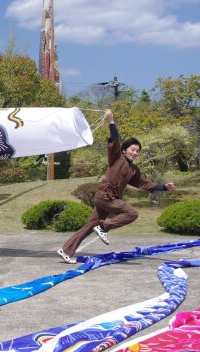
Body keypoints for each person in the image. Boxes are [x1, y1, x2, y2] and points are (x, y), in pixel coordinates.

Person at [57, 109, 176, 264]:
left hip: (108, 200)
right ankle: (104, 227)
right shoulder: (116, 157)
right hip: (106, 196)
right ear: (124, 150)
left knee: (90, 225)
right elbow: (115, 139)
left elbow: (144, 184)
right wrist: (111, 121)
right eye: (132, 149)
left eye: (137, 151)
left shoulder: (133, 170)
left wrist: (164, 187)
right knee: (132, 213)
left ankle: (66, 250)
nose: (135, 153)